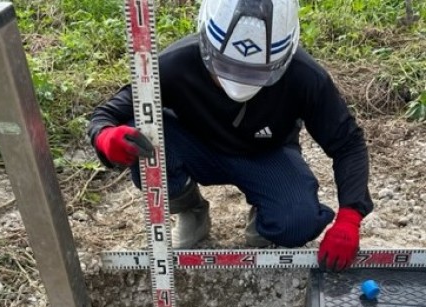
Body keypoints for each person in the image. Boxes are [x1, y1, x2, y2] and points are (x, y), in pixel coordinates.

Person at [87, 0, 373, 272]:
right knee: (140, 127)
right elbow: (105, 116)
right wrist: (106, 138)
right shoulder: (175, 64)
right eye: (224, 68)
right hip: (196, 146)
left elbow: (348, 143)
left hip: (266, 153)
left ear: (283, 59)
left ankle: (266, 214)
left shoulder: (305, 76)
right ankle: (191, 210)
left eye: (257, 73)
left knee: (298, 222)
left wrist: (350, 216)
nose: (237, 82)